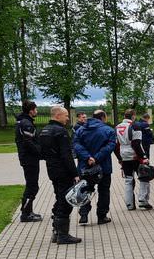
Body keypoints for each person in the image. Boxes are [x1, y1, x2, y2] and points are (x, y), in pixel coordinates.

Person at [39, 105, 82, 244]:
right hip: (63, 171)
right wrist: (75, 173)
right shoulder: (60, 131)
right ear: (57, 115)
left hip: (52, 170)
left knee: (59, 198)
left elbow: (42, 152)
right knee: (66, 201)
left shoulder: (44, 131)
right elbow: (66, 155)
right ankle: (63, 235)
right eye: (66, 116)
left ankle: (56, 232)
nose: (68, 118)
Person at [74, 110, 116, 226]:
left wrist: (87, 157)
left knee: (85, 189)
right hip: (103, 166)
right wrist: (96, 158)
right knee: (103, 190)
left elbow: (76, 145)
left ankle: (83, 215)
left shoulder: (80, 130)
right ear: (103, 117)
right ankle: (102, 216)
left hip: (85, 166)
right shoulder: (109, 130)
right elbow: (110, 146)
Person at [115, 108, 152, 210]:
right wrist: (143, 157)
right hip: (135, 156)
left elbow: (116, 145)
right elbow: (136, 143)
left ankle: (129, 204)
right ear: (133, 116)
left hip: (124, 156)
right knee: (144, 177)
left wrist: (119, 158)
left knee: (128, 180)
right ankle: (143, 200)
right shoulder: (136, 126)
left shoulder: (117, 127)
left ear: (124, 116)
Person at [14, 100, 42, 222]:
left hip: (29, 158)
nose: (37, 111)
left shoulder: (24, 121)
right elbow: (28, 142)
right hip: (29, 158)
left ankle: (28, 211)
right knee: (32, 186)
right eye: (36, 109)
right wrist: (40, 152)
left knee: (32, 185)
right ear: (31, 111)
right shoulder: (26, 124)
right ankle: (25, 214)